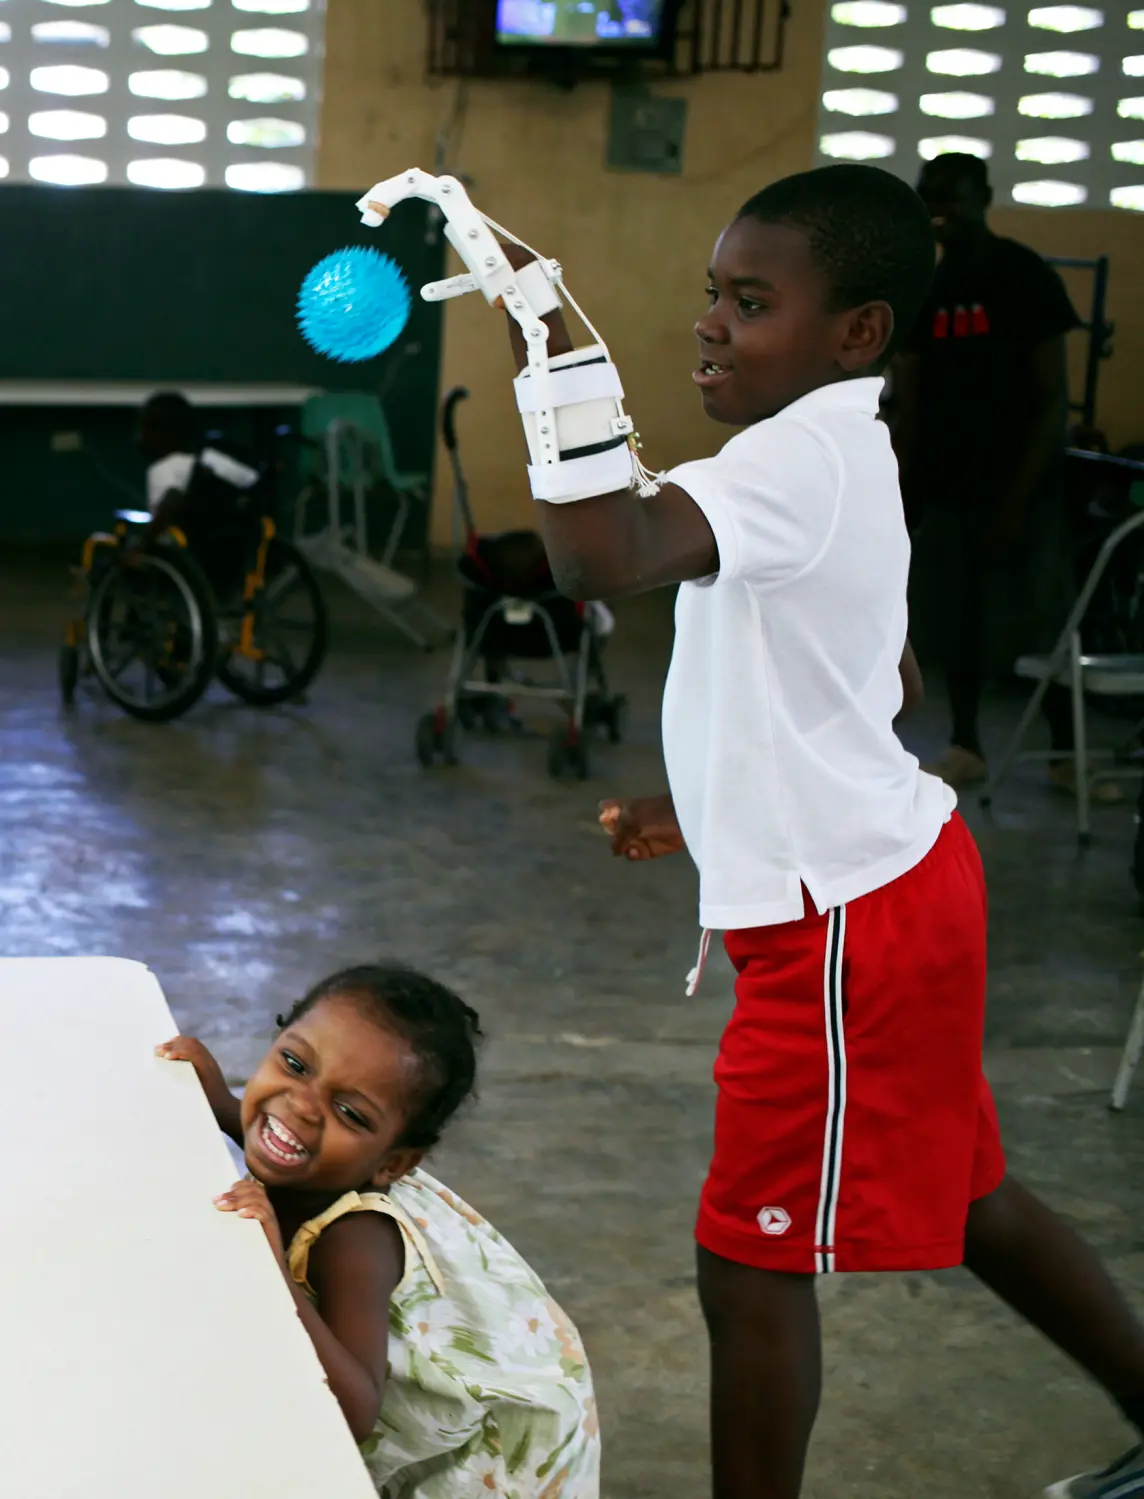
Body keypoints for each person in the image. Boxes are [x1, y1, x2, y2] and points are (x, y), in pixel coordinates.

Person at [498, 164, 1144, 1498]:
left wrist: (556, 372)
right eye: (711, 297)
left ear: (855, 332)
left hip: (850, 928)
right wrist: (713, 794)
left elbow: (598, 555)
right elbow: (881, 678)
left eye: (752, 301)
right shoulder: (848, 449)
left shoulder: (794, 458)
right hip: (893, 888)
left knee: (751, 1253)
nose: (712, 325)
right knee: (971, 1198)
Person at [157, 963, 599, 1498]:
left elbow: (354, 1410)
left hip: (488, 1456)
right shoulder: (319, 1159)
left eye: (349, 1112)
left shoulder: (354, 1242)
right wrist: (220, 1103)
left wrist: (273, 1269)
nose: (299, 1106)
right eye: (294, 1063)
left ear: (393, 1163)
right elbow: (288, 1140)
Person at [893, 152, 1100, 797]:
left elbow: (1050, 401)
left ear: (985, 196)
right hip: (949, 486)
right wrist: (902, 484)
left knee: (1049, 623)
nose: (939, 208)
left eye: (951, 195)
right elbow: (912, 395)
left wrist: (1018, 502)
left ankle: (1069, 755)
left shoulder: (1022, 276)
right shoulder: (927, 284)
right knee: (957, 621)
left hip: (1021, 488)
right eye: (929, 196)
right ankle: (966, 745)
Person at [131, 392, 266, 588]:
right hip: (233, 555)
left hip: (182, 561)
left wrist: (143, 544)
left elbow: (171, 500)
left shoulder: (162, 469)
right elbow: (251, 482)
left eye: (142, 429)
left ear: (161, 433)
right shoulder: (211, 459)